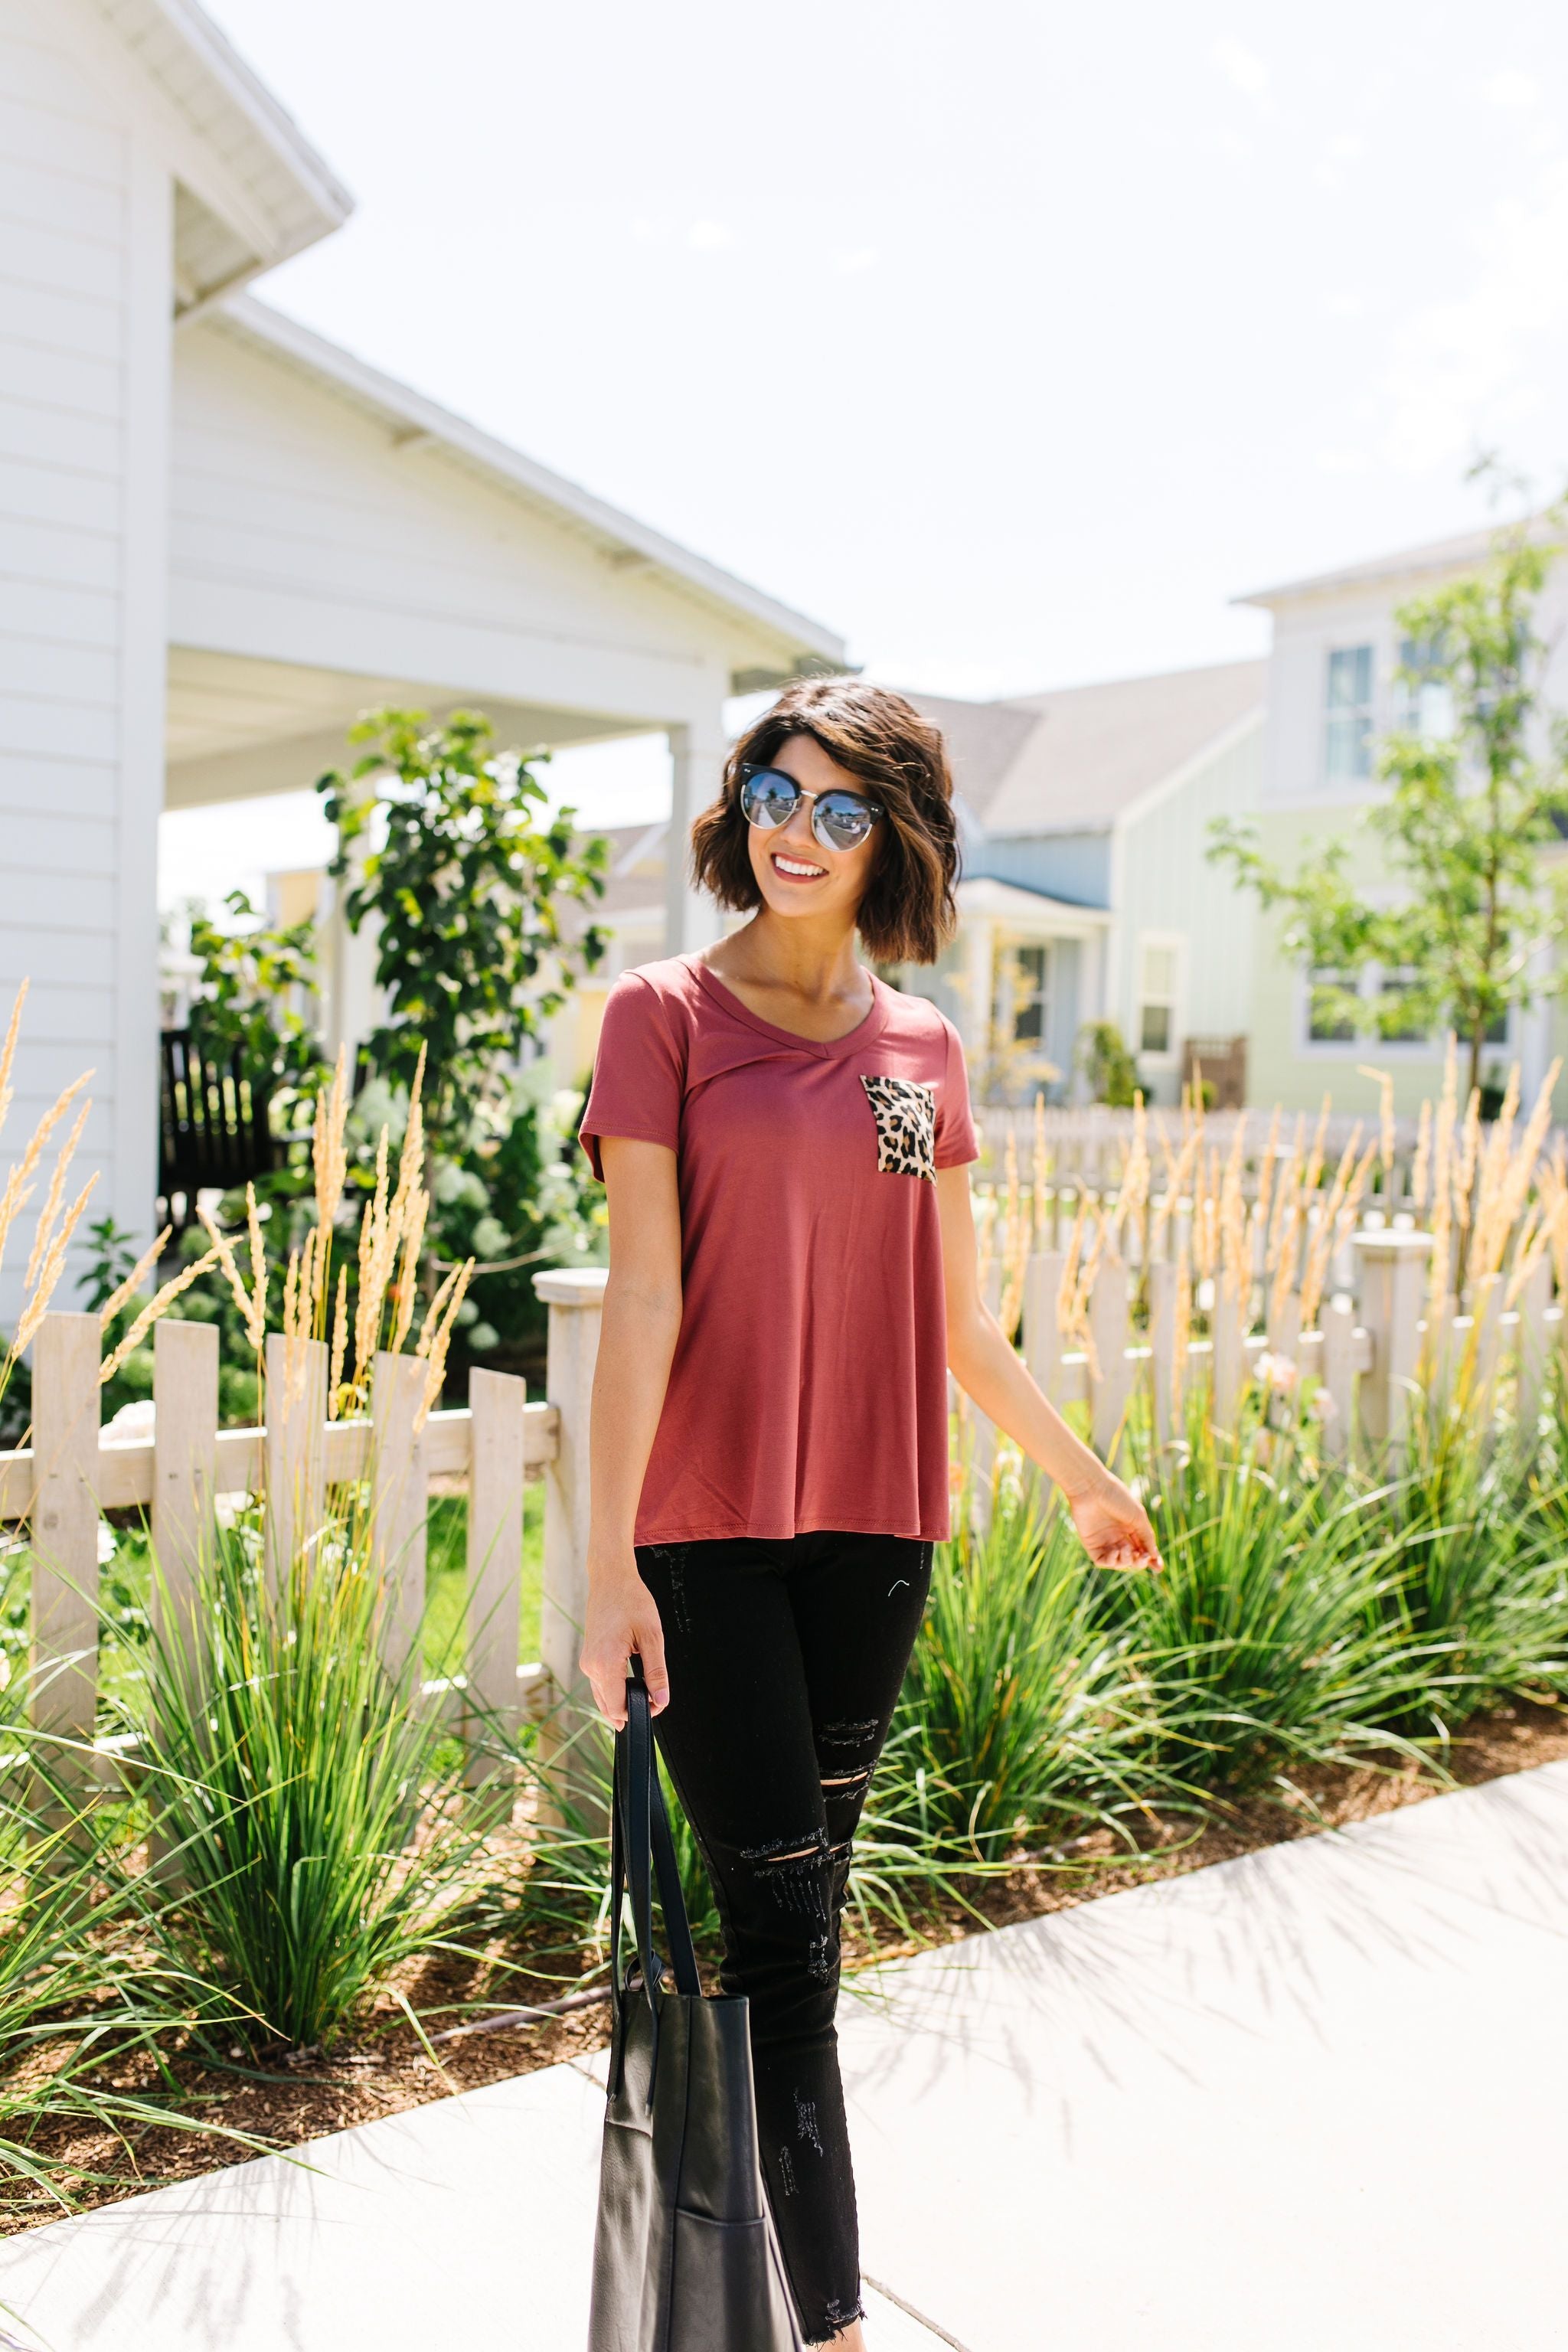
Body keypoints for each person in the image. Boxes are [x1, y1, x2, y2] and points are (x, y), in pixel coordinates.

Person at [575, 678, 1161, 2349]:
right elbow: (639, 1306)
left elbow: (952, 1311)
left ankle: (782, 2302)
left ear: (891, 839)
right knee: (780, 1925)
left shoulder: (919, 1053)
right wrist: (607, 1558)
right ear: (739, 799)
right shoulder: (666, 1018)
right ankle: (830, 2325)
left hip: (876, 1534)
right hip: (701, 1533)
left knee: (805, 1915)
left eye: (842, 809)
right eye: (777, 790)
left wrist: (1076, 1473)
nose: (796, 831)